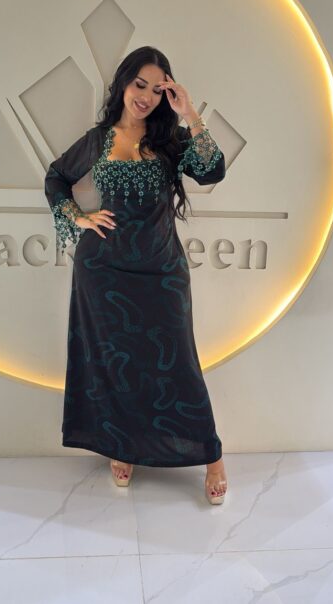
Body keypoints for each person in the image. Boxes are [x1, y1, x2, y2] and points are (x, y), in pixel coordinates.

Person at [44, 46, 228, 504]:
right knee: (113, 364)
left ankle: (212, 456)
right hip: (103, 272)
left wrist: (190, 114)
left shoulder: (171, 140)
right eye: (139, 84)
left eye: (156, 88)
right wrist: (78, 217)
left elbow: (213, 172)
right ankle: (120, 445)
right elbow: (56, 177)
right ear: (124, 84)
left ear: (167, 93)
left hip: (162, 271)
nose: (145, 96)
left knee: (178, 363)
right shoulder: (98, 140)